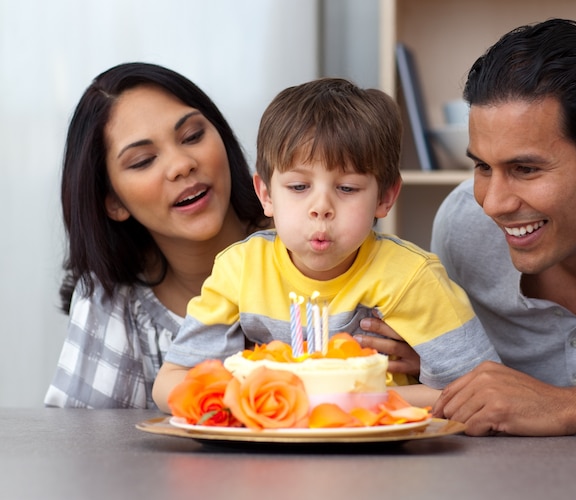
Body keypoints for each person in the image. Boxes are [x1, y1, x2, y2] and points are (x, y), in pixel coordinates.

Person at [44, 63, 420, 409]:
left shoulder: (329, 248)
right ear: (113, 201)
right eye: (143, 161)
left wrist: (423, 365)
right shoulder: (112, 299)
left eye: (192, 136)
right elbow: (86, 445)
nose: (181, 164)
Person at [152, 77, 499, 412]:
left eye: (347, 188)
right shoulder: (240, 271)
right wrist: (250, 398)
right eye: (299, 187)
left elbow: (480, 393)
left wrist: (340, 402)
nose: (321, 207)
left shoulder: (410, 277)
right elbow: (170, 382)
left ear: (385, 196)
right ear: (266, 194)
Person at [425, 18, 576, 436]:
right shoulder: (463, 228)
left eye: (526, 168)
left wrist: (561, 406)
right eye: (482, 166)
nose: (494, 204)